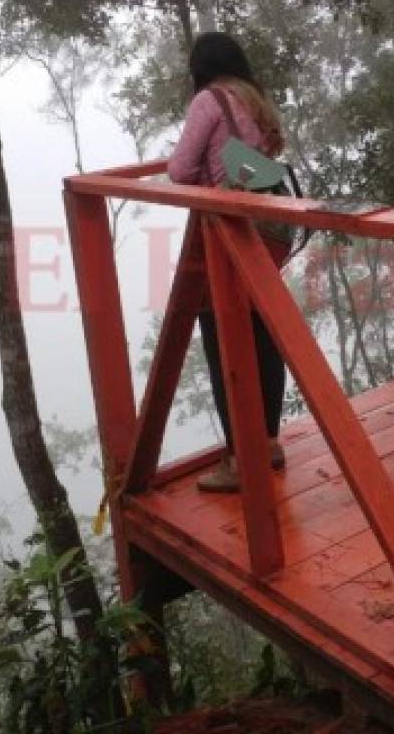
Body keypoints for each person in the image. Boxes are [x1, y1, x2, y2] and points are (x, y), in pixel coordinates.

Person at [168, 32, 290, 493]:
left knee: (222, 339)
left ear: (200, 68)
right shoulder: (252, 98)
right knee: (261, 331)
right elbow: (262, 158)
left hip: (227, 234)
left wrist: (203, 173)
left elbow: (180, 171)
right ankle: (270, 442)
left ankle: (241, 460)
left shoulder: (208, 100)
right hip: (265, 225)